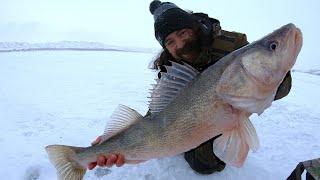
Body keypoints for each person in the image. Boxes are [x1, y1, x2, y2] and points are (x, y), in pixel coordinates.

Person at [88, 0, 292, 174]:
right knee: (192, 155)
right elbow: (161, 107)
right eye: (170, 41)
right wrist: (114, 138)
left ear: (193, 27)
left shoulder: (233, 45)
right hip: (186, 122)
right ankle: (173, 144)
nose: (180, 44)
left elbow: (280, 88)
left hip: (222, 115)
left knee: (205, 163)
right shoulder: (169, 66)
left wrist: (276, 77)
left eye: (183, 33)